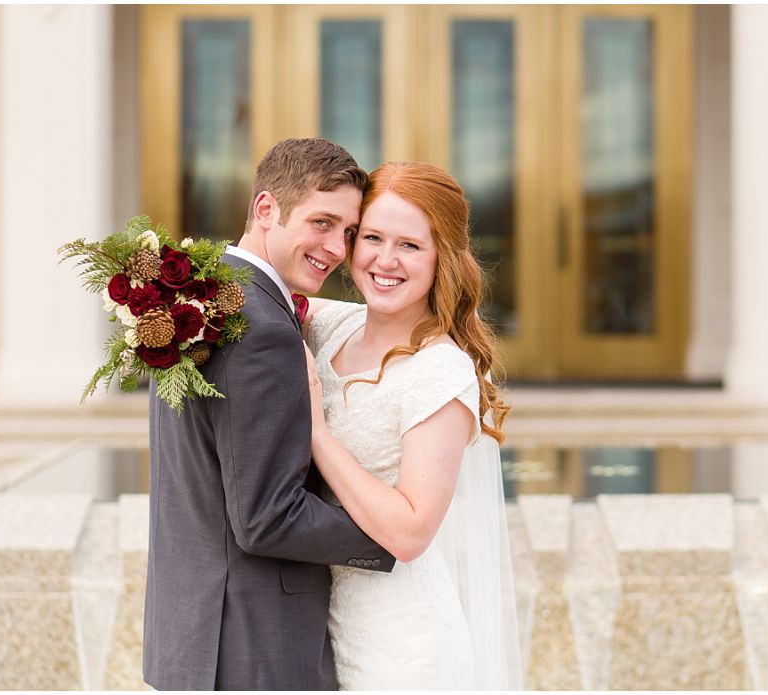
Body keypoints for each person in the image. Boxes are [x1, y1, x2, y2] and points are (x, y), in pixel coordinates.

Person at [143, 138, 395, 691]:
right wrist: (388, 533)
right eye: (323, 222)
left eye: (349, 233)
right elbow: (266, 518)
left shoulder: (202, 298)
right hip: (254, 648)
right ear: (265, 210)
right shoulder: (261, 328)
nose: (337, 248)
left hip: (194, 635)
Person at [300, 161, 523, 689]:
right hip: (332, 626)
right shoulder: (335, 326)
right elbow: (254, 291)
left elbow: (410, 531)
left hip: (406, 644)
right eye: (372, 237)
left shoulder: (440, 371)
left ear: (442, 257)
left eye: (409, 245)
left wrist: (317, 436)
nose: (385, 260)